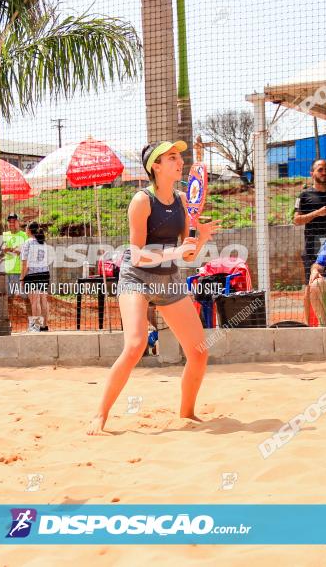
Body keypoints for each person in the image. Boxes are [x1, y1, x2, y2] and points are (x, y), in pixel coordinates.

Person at [88, 140, 220, 435]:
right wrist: (175, 252)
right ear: (155, 167)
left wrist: (200, 239)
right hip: (136, 277)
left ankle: (187, 412)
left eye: (179, 156)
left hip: (169, 279)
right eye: (171, 157)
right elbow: (136, 255)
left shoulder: (184, 201)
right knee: (135, 346)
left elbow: (187, 255)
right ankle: (100, 414)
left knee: (198, 352)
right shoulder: (142, 201)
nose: (179, 161)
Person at [293, 159, 326, 281]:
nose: (324, 172)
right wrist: (317, 213)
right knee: (311, 284)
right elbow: (296, 220)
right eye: (320, 170)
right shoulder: (304, 195)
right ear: (312, 173)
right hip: (313, 247)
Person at [20, 221, 52, 332]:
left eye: (26, 228)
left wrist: (22, 278)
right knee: (43, 300)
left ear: (29, 230)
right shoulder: (42, 242)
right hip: (44, 273)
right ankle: (45, 326)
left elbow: (25, 264)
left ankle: (36, 327)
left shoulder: (28, 243)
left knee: (35, 301)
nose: (25, 230)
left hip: (32, 274)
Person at [3, 213, 29, 299]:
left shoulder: (24, 235)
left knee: (23, 297)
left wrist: (10, 249)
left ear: (19, 222)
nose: (11, 224)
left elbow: (24, 250)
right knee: (8, 297)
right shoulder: (4, 235)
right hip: (7, 272)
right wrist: (12, 249)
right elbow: (2, 249)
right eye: (9, 222)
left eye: (14, 221)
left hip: (20, 272)